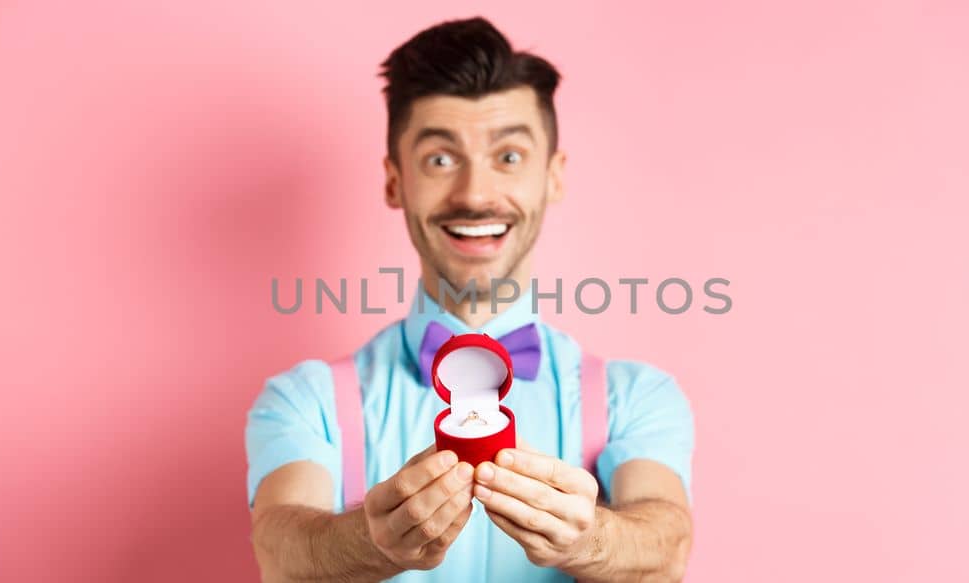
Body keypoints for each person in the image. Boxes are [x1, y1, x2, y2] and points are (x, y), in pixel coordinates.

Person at [246, 17, 694, 582]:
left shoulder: (637, 398)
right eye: (440, 159)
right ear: (394, 181)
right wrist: (371, 541)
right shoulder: (304, 401)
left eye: (509, 157)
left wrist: (591, 539)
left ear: (553, 177)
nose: (475, 194)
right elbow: (280, 553)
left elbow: (668, 548)